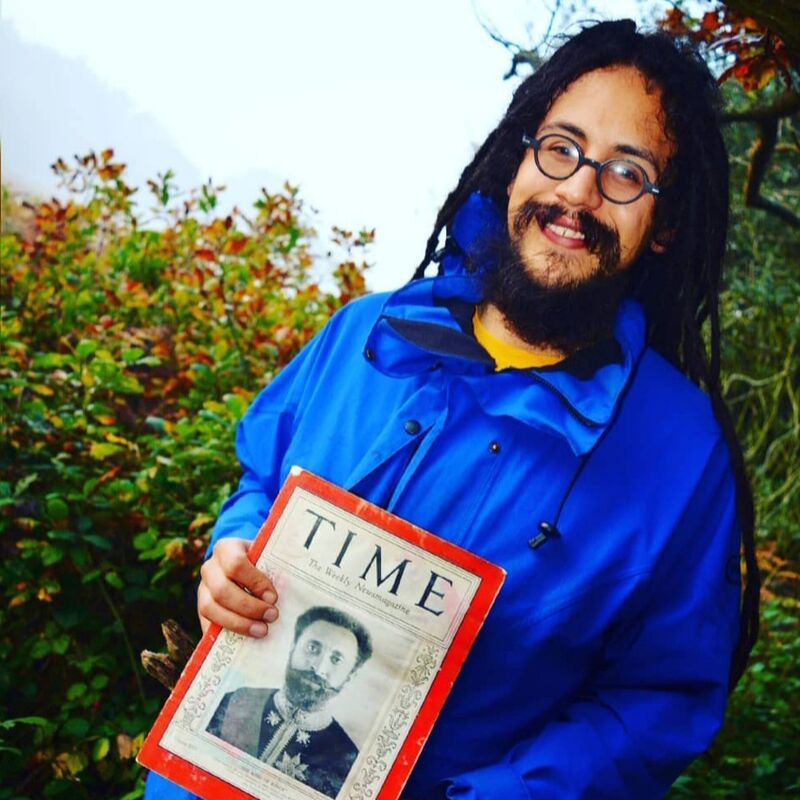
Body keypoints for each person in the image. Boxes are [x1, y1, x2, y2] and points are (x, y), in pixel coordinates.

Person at [145, 18, 759, 800]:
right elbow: (260, 482)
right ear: (518, 162)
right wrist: (230, 557)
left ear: (665, 226)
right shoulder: (366, 330)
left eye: (627, 173)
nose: (576, 191)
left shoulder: (678, 450)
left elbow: (659, 697)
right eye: (561, 148)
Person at [205, 606, 372, 798]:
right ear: (293, 647)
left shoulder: (347, 760)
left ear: (349, 675)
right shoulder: (236, 700)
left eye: (336, 660)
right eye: (312, 648)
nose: (318, 668)